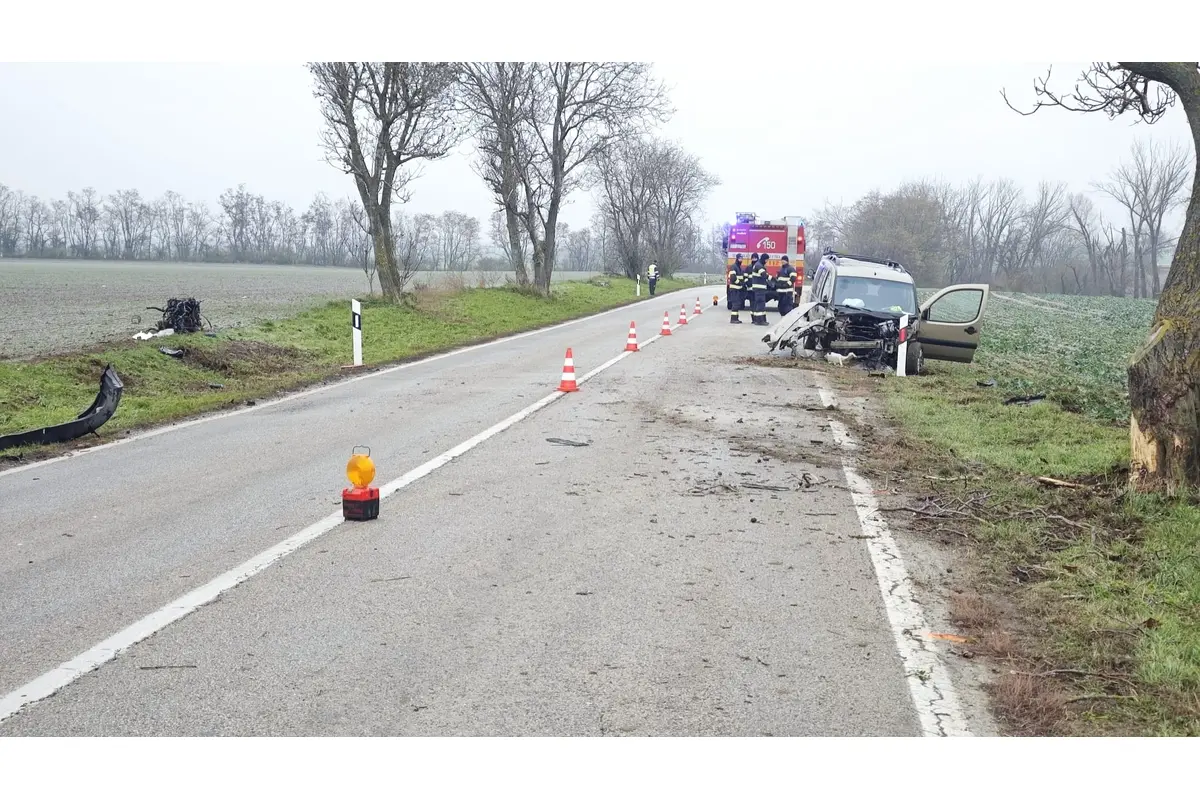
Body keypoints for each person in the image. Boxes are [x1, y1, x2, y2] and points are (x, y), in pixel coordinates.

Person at [749, 253, 769, 325]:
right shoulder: (759, 266)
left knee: (761, 304)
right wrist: (772, 279)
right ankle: (759, 321)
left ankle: (762, 320)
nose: (767, 261)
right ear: (764, 259)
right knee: (760, 304)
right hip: (759, 289)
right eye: (766, 260)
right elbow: (764, 274)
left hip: (760, 289)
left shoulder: (759, 265)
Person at [728, 256, 746, 324]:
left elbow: (741, 277)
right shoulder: (734, 267)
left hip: (738, 289)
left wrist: (743, 284)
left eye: (741, 259)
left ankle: (736, 318)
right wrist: (740, 283)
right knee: (735, 304)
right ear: (737, 259)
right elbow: (733, 277)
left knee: (737, 304)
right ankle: (733, 319)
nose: (741, 260)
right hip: (734, 289)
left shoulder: (739, 267)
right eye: (740, 259)